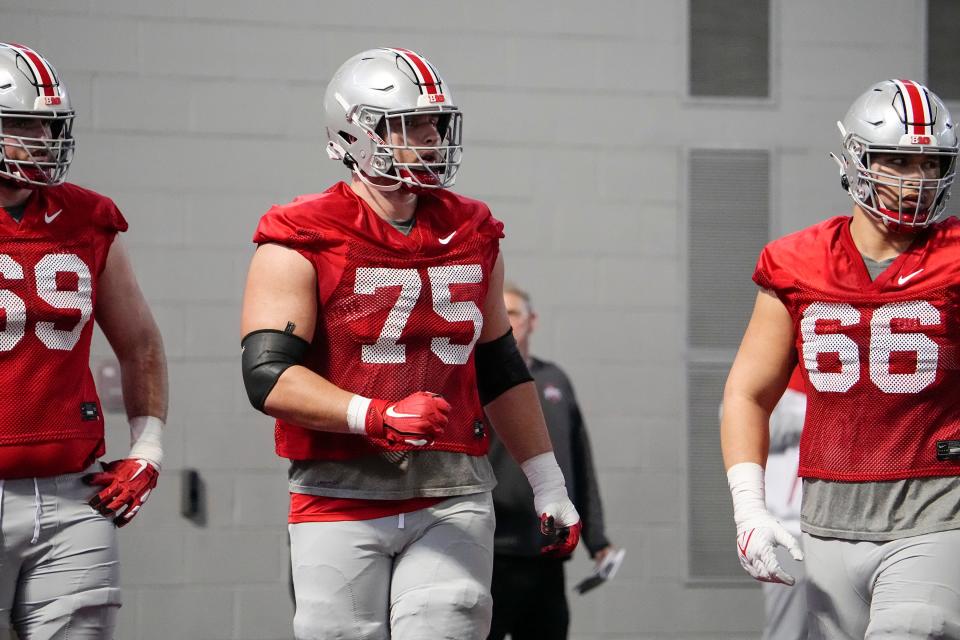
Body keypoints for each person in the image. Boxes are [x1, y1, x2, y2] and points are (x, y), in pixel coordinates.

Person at [240, 47, 581, 640]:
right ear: (356, 132)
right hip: (339, 491)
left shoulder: (473, 230)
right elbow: (267, 374)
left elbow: (499, 367)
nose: (431, 138)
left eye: (435, 124)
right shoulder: (302, 233)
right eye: (409, 125)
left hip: (453, 490)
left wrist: (548, 483)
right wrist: (375, 414)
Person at [721, 78, 960, 639]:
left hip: (936, 508)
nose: (917, 180)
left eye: (930, 164)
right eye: (899, 161)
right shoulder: (797, 261)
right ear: (857, 158)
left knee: (911, 630)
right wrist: (749, 508)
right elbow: (747, 393)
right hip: (828, 518)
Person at [0, 42, 168, 638]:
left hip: (74, 494)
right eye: (22, 123)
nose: (42, 137)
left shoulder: (88, 217)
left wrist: (147, 448)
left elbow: (141, 343)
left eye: (48, 123)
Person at [486, 283, 614, 640]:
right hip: (494, 552)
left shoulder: (555, 380)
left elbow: (579, 460)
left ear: (532, 320)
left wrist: (597, 538)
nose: (508, 323)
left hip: (547, 553)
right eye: (501, 313)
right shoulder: (477, 379)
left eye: (513, 313)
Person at [757, 367, 807, 640]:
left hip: (838, 529)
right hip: (789, 531)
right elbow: (736, 418)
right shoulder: (775, 389)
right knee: (788, 630)